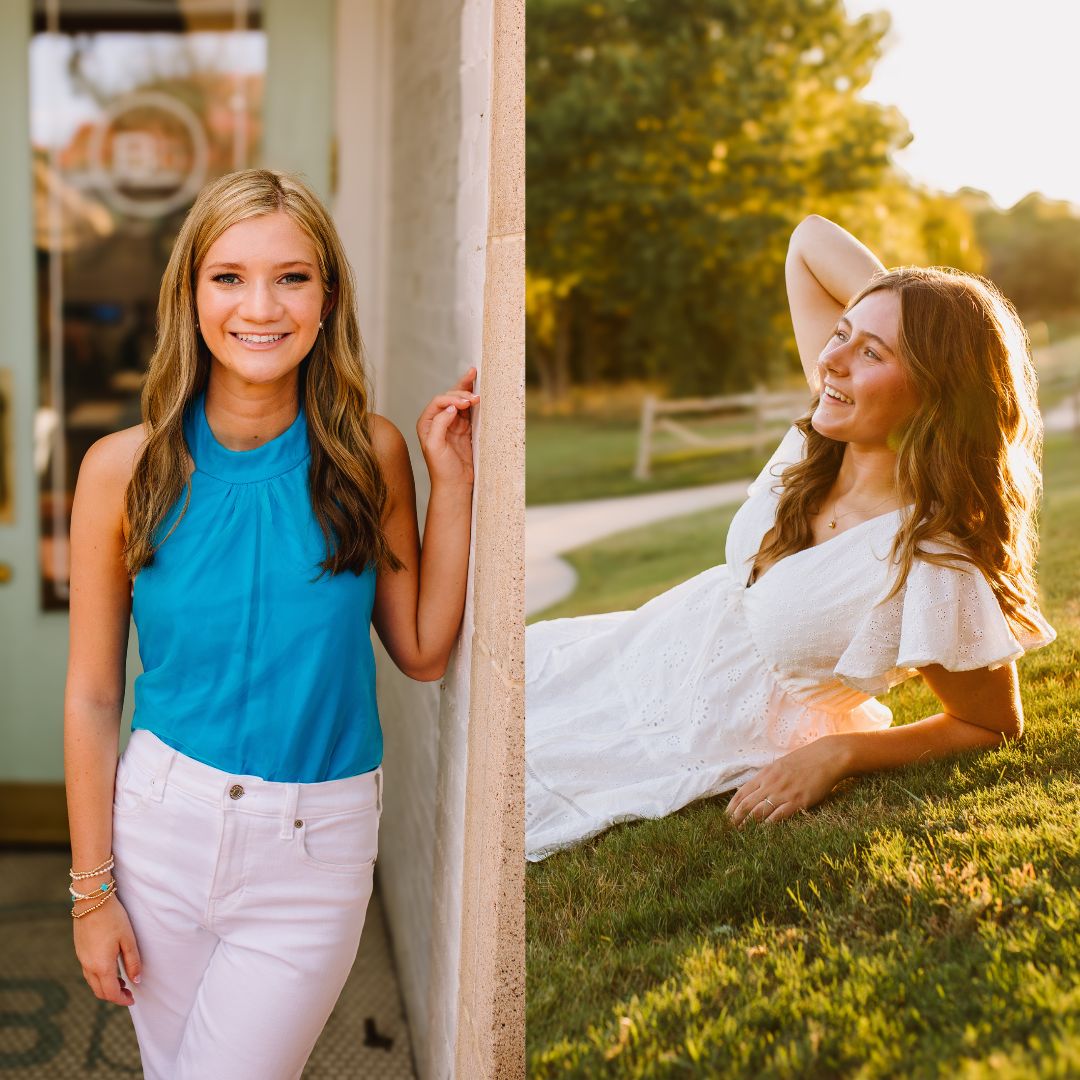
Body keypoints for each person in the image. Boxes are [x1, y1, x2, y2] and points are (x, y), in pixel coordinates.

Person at [64, 168, 477, 1077]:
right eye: (229, 277)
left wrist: (454, 483)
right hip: (157, 828)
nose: (262, 305)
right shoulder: (120, 471)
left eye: (292, 277)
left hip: (314, 847)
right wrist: (92, 893)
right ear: (191, 295)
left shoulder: (370, 456)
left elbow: (422, 648)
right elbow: (94, 696)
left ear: (327, 298)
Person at [525, 213, 1056, 862]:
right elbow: (809, 241)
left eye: (871, 353)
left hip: (695, 739)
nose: (831, 360)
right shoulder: (826, 429)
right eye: (842, 334)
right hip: (627, 655)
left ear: (938, 389)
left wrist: (842, 750)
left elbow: (989, 724)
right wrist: (910, 309)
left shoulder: (930, 558)